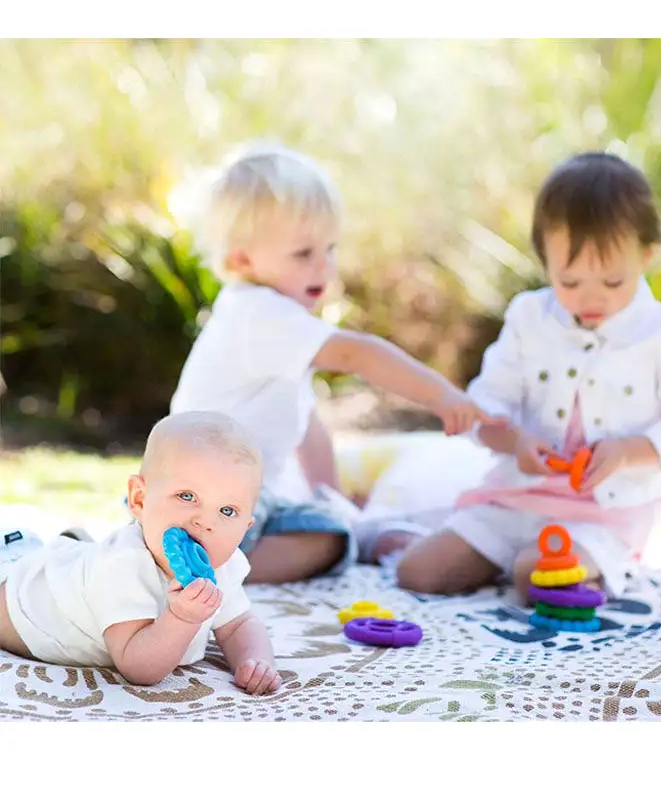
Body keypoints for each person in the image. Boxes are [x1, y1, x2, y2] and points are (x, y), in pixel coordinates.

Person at [170, 142, 490, 582]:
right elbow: (356, 353)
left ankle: (200, 557)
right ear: (242, 259)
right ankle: (195, 568)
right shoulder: (260, 316)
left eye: (331, 248)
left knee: (328, 529)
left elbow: (307, 425)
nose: (324, 267)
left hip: (226, 498)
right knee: (332, 541)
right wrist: (441, 394)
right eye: (304, 254)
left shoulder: (271, 325)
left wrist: (332, 496)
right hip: (205, 498)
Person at [397, 152, 661, 601]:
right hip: (519, 497)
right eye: (569, 282)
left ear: (645, 255)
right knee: (419, 572)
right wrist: (516, 443)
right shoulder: (529, 317)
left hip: (605, 512)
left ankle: (593, 566)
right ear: (545, 261)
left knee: (536, 572)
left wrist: (629, 452)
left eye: (612, 282)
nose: (591, 299)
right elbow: (489, 401)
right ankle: (518, 560)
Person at [0, 411, 282, 695]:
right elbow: (138, 667)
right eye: (187, 496)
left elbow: (239, 624)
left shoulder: (223, 566)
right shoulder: (124, 565)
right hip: (19, 601)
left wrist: (255, 660)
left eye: (227, 511)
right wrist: (182, 618)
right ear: (139, 499)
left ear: (245, 528)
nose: (206, 522)